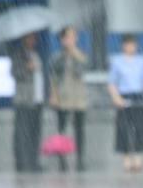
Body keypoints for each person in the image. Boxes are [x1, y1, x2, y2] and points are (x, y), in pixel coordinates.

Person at [107, 33, 143, 172]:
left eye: (133, 44)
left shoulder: (142, 61)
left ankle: (138, 158)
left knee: (140, 127)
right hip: (123, 96)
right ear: (123, 46)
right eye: (128, 44)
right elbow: (112, 82)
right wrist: (116, 98)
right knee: (123, 128)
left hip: (138, 96)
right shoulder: (117, 61)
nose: (131, 47)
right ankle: (127, 158)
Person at [49, 25, 88, 172]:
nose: (71, 40)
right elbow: (53, 78)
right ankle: (62, 160)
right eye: (68, 37)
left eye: (73, 37)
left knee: (79, 129)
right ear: (62, 40)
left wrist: (74, 52)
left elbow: (84, 66)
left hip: (78, 98)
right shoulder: (57, 57)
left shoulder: (80, 54)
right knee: (62, 130)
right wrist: (53, 95)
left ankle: (80, 159)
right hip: (63, 97)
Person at [10, 32, 44, 173]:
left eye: (34, 38)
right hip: (24, 100)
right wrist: (27, 68)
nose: (32, 40)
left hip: (36, 100)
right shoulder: (19, 55)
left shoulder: (36, 55)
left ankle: (33, 161)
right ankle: (22, 162)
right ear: (24, 39)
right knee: (22, 133)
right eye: (29, 38)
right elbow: (15, 73)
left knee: (34, 132)